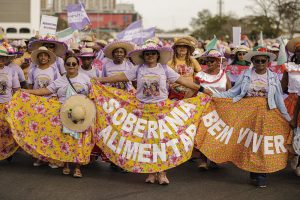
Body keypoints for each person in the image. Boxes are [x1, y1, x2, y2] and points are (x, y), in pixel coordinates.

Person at [96, 42, 212, 185]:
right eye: (147, 53)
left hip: (161, 109)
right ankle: (151, 173)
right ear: (143, 56)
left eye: (152, 53)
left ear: (157, 55)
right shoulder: (138, 69)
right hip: (142, 110)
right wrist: (100, 80)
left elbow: (181, 80)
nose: (150, 56)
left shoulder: (164, 68)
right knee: (147, 142)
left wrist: (201, 89)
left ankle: (162, 173)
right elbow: (121, 77)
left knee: (162, 141)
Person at [214, 48, 290, 188]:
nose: (260, 63)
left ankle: (261, 174)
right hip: (247, 112)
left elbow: (279, 98)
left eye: (263, 61)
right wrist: (214, 97)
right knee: (249, 142)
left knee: (262, 143)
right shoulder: (246, 74)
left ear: (268, 62)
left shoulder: (273, 77)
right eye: (257, 61)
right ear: (253, 62)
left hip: (267, 113)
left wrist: (287, 117)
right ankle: (253, 170)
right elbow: (233, 92)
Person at [22, 55, 93, 178]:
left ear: (78, 65)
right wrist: (27, 91)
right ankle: (65, 164)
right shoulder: (60, 80)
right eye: (68, 64)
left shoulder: (86, 78)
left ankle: (77, 167)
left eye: (74, 64)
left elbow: (94, 94)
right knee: (66, 139)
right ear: (65, 66)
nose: (71, 66)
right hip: (64, 113)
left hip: (82, 114)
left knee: (79, 141)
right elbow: (45, 91)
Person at [194, 49, 232, 169]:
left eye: (212, 60)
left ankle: (214, 158)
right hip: (203, 107)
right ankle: (203, 159)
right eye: (208, 60)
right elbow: (193, 90)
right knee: (203, 132)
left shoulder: (224, 74)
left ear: (218, 61)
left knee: (216, 133)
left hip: (219, 107)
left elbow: (229, 92)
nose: (209, 63)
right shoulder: (200, 75)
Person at [283, 36, 300, 175]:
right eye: (298, 50)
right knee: (291, 131)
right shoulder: (289, 67)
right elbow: (282, 87)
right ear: (295, 52)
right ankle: (294, 156)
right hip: (291, 101)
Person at [0, 45, 20, 161]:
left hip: (7, 104)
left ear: (6, 59)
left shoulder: (11, 71)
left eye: (3, 58)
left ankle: (8, 152)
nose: (1, 61)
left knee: (7, 130)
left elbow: (16, 89)